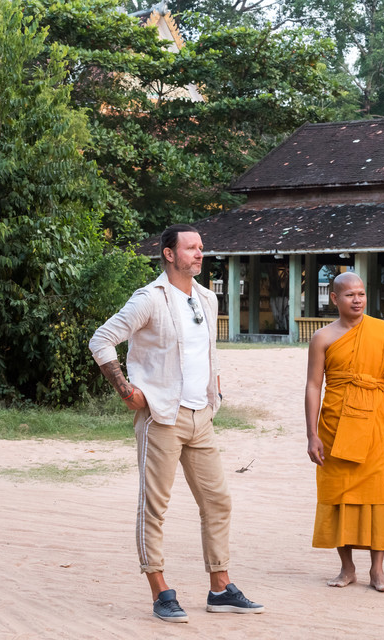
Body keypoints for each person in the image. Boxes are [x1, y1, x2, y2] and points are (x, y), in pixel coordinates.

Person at [89, 224, 263, 623]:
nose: (199, 254)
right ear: (169, 254)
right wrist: (125, 389)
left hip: (202, 416)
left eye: (201, 247)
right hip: (162, 415)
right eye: (191, 248)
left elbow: (207, 351)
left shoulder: (207, 297)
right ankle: (160, 590)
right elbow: (101, 340)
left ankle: (220, 587)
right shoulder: (149, 299)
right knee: (155, 506)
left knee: (217, 501)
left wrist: (214, 391)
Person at [304, 271, 384, 592]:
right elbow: (313, 385)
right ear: (334, 299)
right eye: (350, 295)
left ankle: (377, 571)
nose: (357, 300)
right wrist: (312, 434)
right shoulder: (322, 337)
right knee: (338, 493)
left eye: (361, 294)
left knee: (377, 494)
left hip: (374, 424)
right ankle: (347, 568)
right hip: (334, 423)